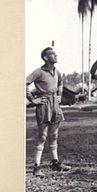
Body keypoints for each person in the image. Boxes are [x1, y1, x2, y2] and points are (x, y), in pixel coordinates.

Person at [26, 47, 71, 177]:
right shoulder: (39, 72)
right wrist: (32, 100)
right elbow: (24, 82)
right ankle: (36, 166)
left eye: (56, 54)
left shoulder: (57, 72)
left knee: (54, 135)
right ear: (46, 58)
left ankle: (55, 163)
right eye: (53, 54)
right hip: (44, 105)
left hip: (55, 105)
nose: (56, 56)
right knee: (43, 136)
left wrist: (60, 95)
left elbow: (61, 83)